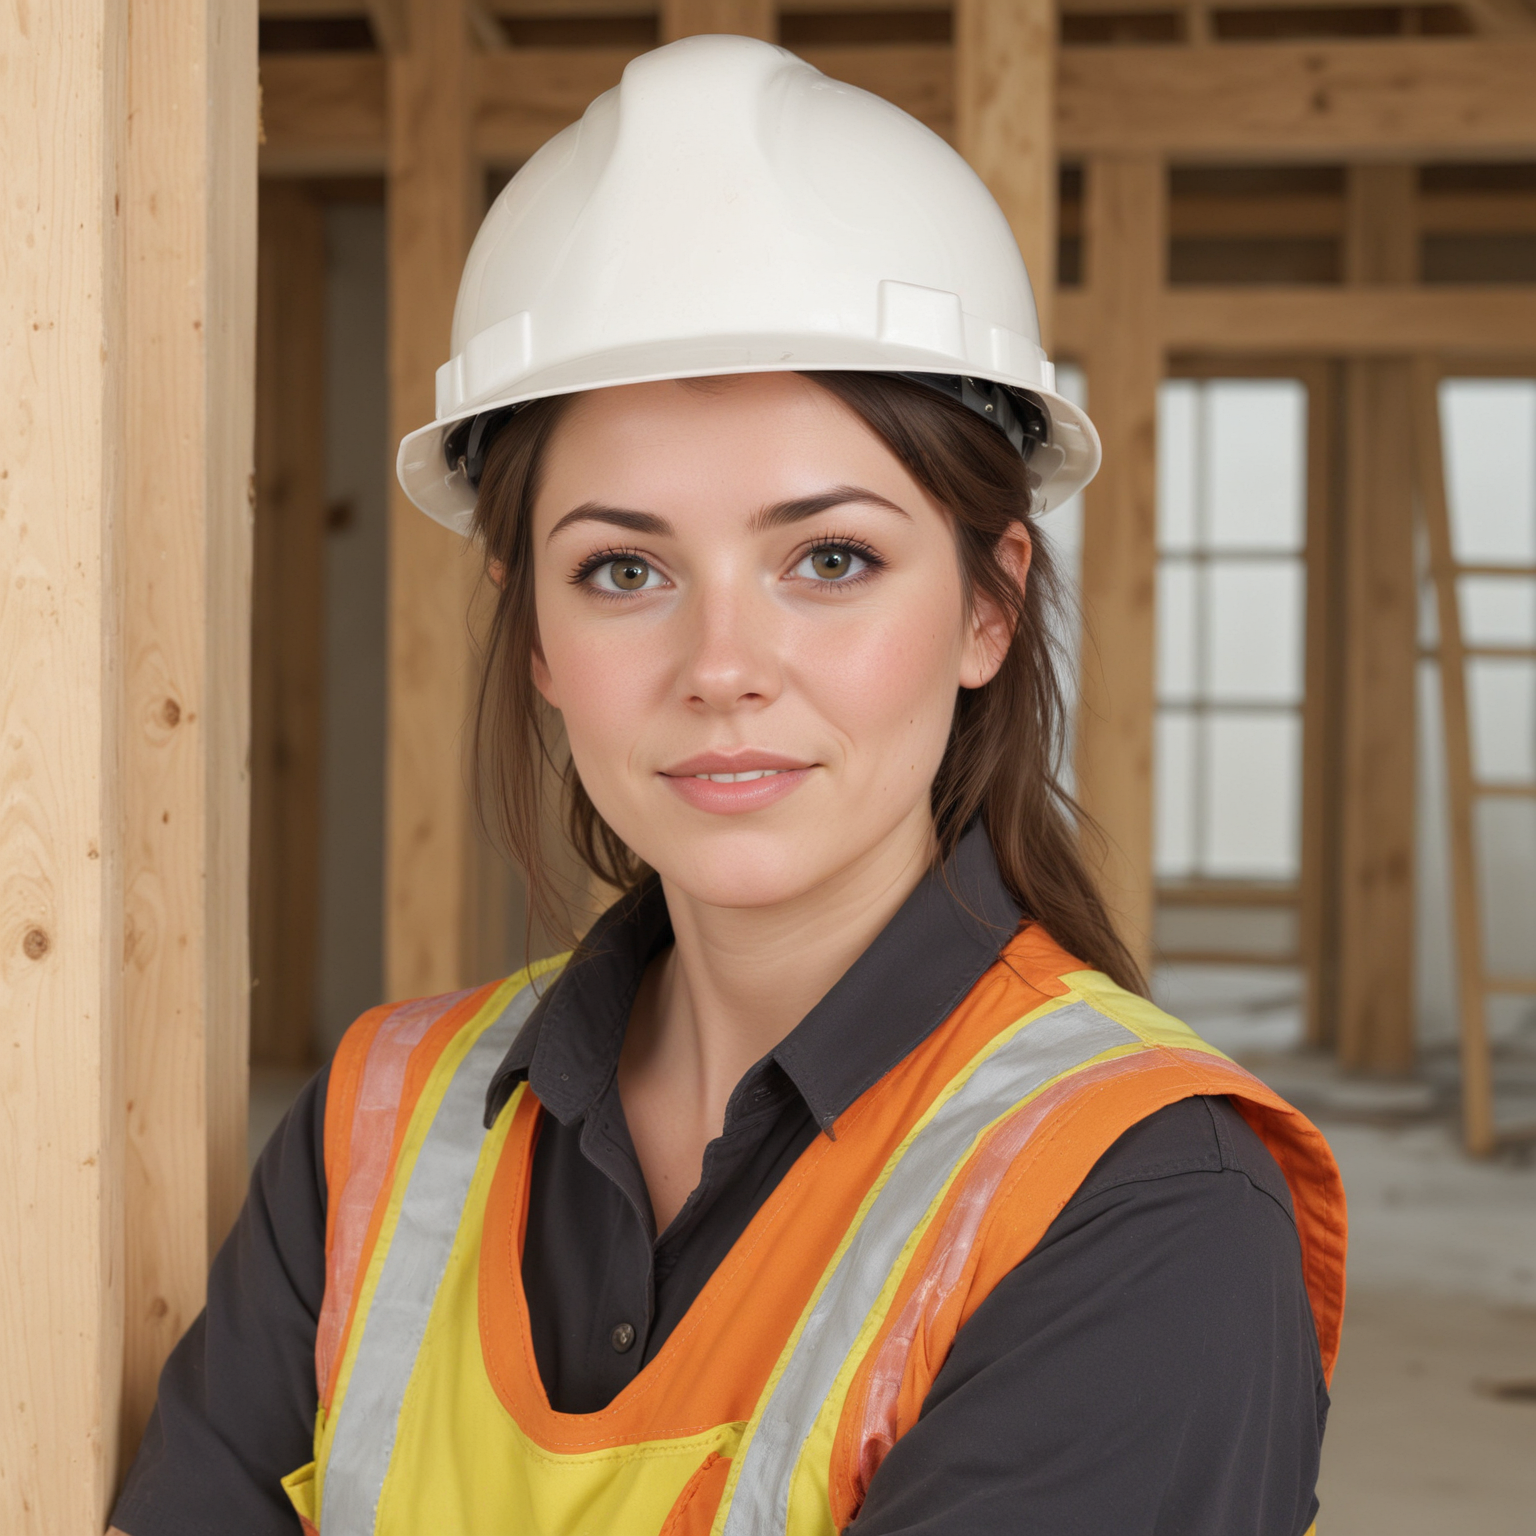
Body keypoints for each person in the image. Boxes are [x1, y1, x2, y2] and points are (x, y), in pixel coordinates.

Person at [111, 34, 1345, 1536]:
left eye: (830, 559)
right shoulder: (377, 1126)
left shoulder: (1143, 1207)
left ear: (985, 608)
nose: (723, 663)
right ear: (540, 637)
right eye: (623, 569)